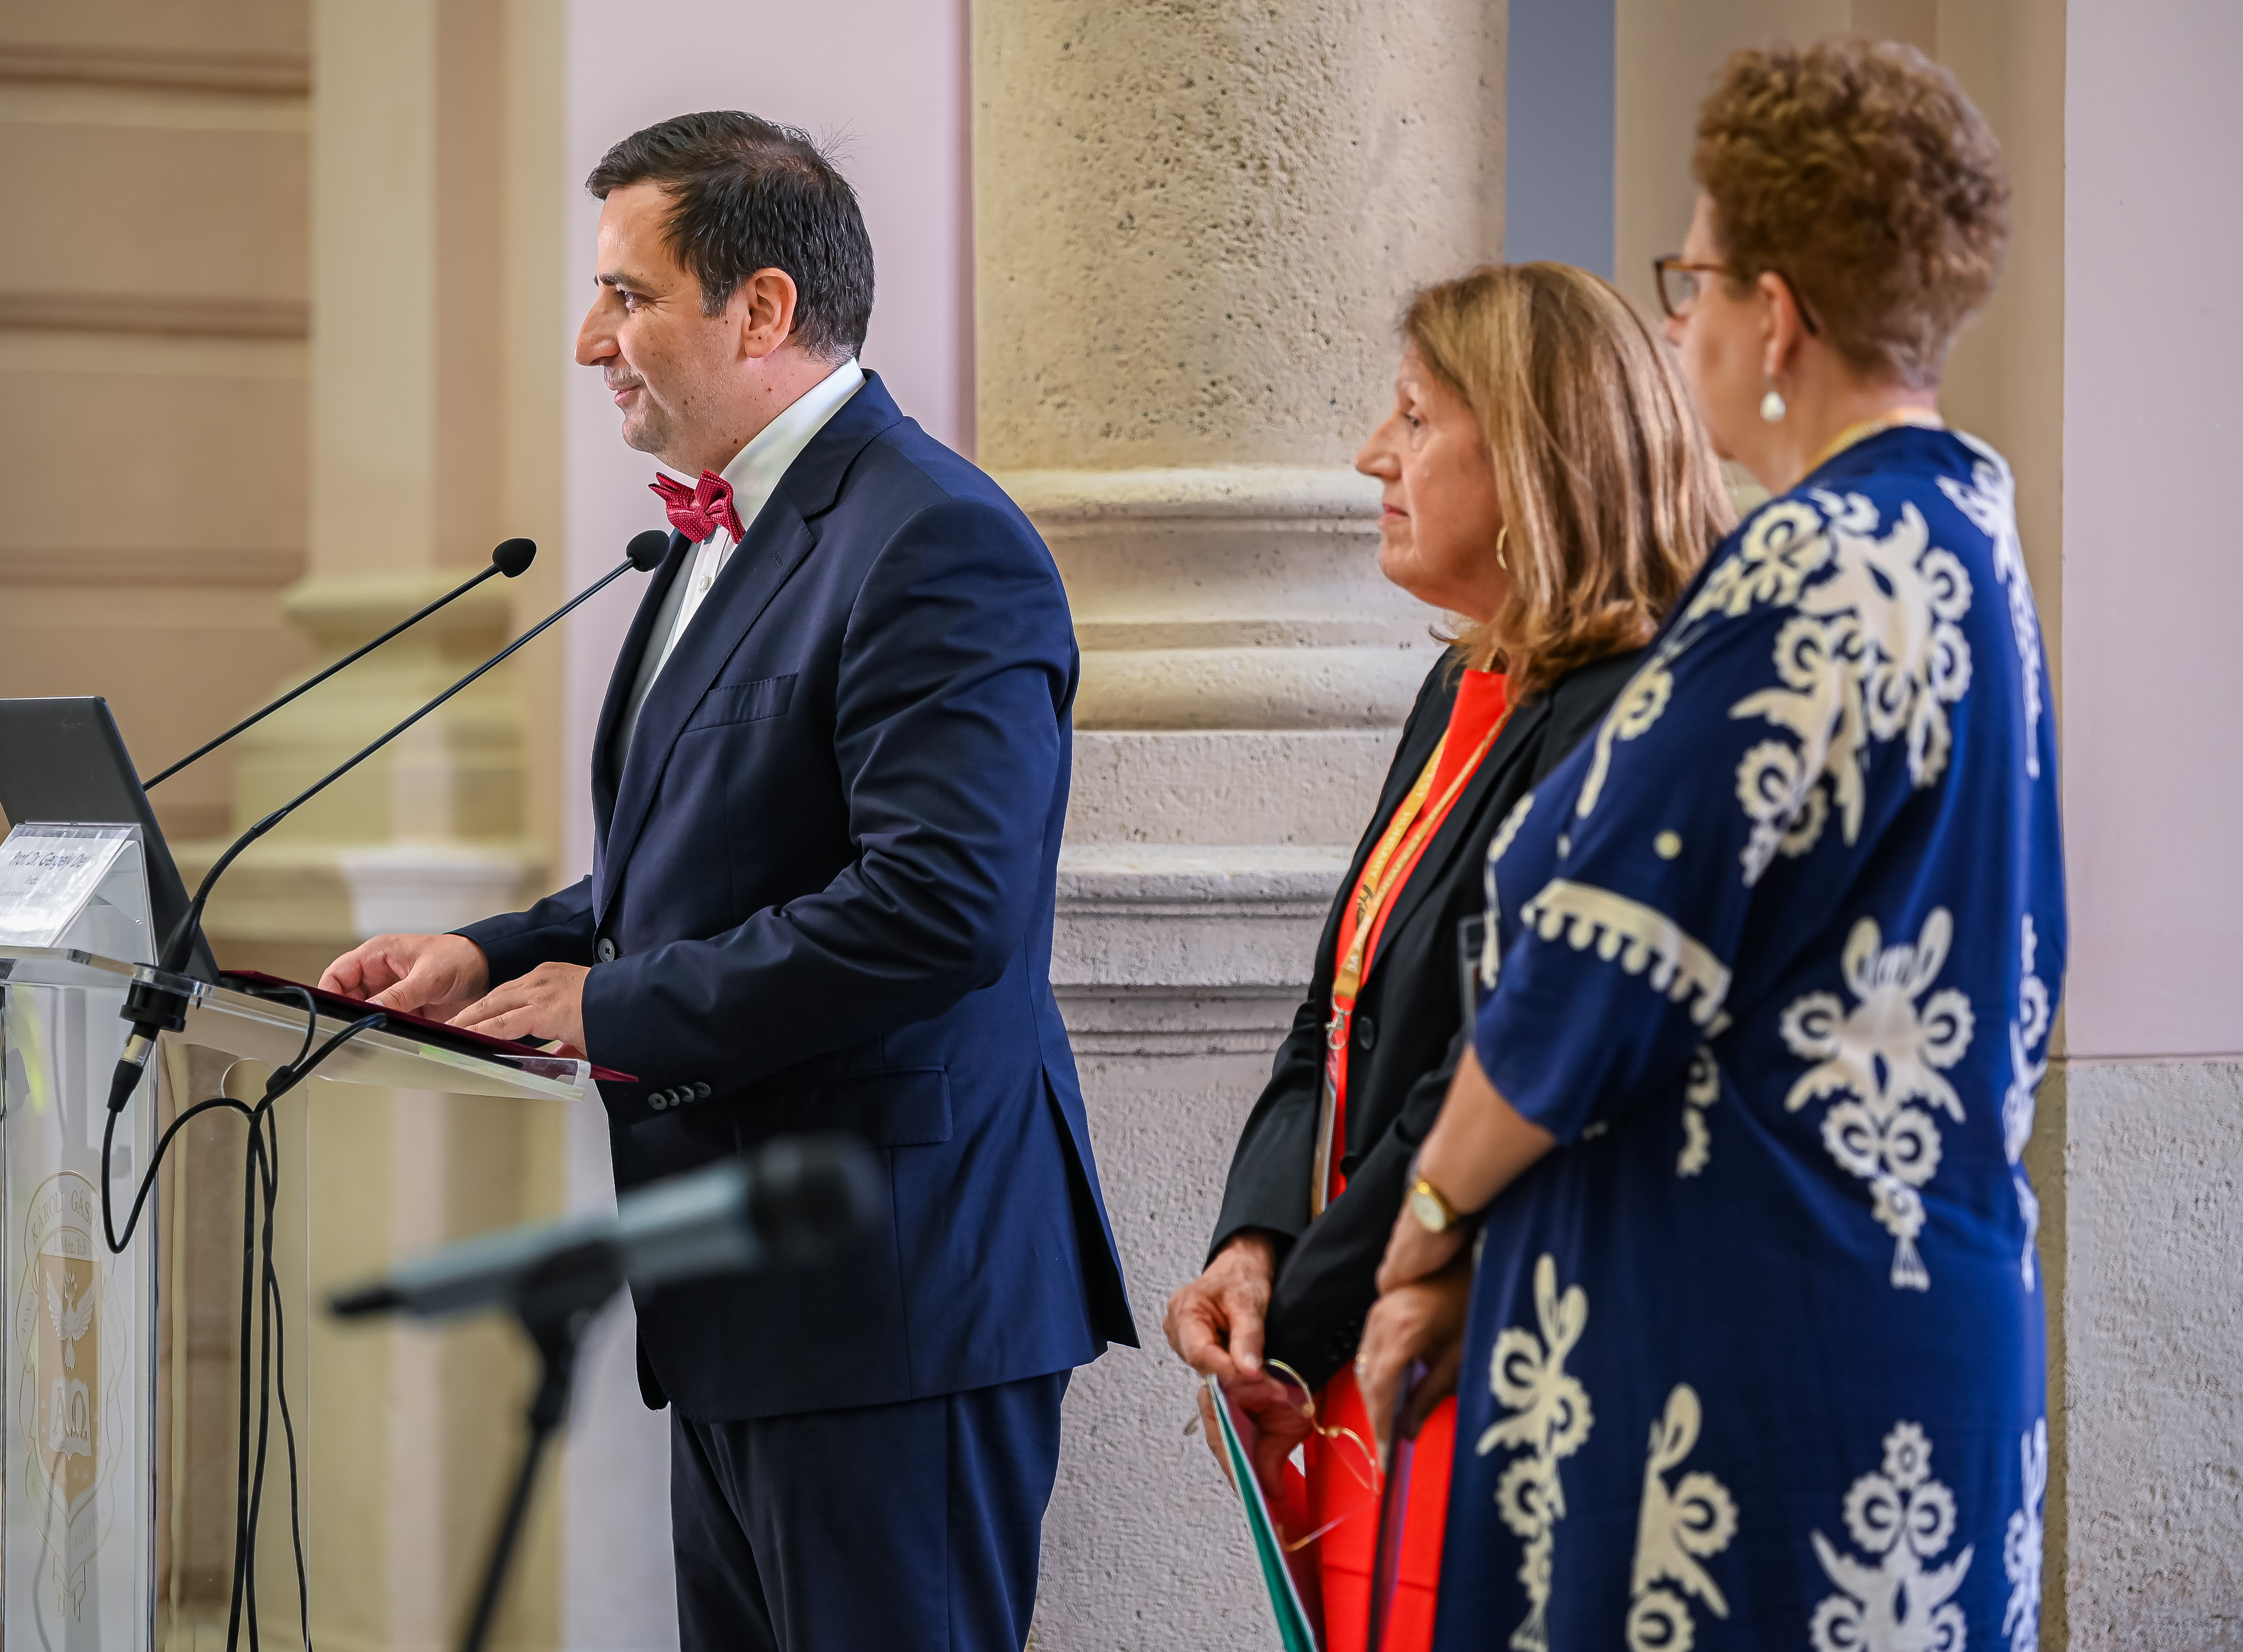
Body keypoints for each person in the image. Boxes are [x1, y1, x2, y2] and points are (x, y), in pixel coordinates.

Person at [320, 111, 1135, 1652]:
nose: (590, 340)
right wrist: (489, 953)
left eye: (626, 295)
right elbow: (698, 859)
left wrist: (613, 1007)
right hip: (745, 1297)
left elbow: (940, 903)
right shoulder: (714, 535)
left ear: (760, 309)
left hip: (893, 1290)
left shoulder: (935, 536)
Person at [1355, 38, 2058, 1649]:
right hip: (1911, 1314)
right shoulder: (1965, 527)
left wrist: (1429, 1232)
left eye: (1692, 283)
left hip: (1745, 1360)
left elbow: (1593, 960)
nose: (1678, 326)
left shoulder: (1809, 564)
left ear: (1776, 317)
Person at [1164, 261, 1732, 1651]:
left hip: (1505, 1337)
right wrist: (1254, 1241)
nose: (1373, 453)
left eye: (1414, 419)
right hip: (1362, 1315)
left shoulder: (1629, 712)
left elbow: (1494, 1058)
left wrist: (1295, 1321)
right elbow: (1339, 1007)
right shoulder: (1463, 675)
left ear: (1539, 455)